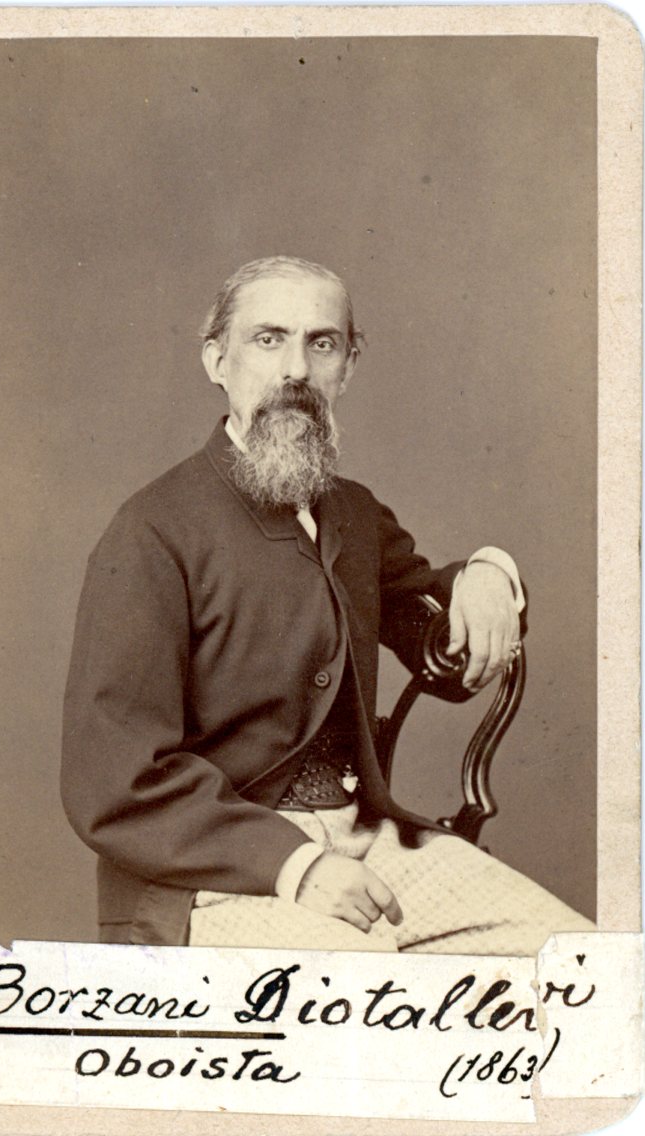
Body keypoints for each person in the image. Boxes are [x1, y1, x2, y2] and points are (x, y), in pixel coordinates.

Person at [62, 255, 592, 953]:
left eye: (322, 343)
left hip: (369, 841)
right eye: (267, 339)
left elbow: (437, 640)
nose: (296, 370)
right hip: (209, 874)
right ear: (216, 360)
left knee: (583, 962)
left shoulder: (354, 513)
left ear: (348, 366)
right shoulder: (152, 530)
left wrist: (489, 574)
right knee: (366, 985)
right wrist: (297, 865)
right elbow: (116, 783)